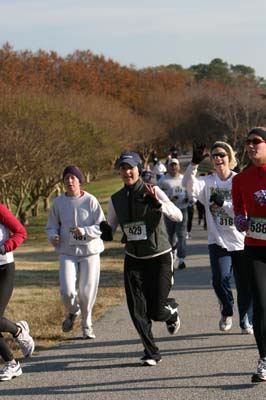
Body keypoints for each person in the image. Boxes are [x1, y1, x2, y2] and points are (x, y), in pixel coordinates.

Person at [100, 151, 183, 366]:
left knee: (156, 311)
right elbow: (111, 226)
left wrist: (158, 204)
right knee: (136, 309)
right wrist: (106, 231)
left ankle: (171, 311)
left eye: (131, 167)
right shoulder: (115, 199)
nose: (127, 172)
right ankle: (152, 352)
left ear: (139, 169)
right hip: (133, 257)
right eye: (123, 168)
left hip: (159, 256)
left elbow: (178, 215)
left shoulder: (153, 190)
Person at [183, 142, 253, 334]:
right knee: (219, 279)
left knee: (245, 283)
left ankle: (246, 317)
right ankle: (227, 309)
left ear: (229, 158)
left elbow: (246, 209)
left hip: (241, 240)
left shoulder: (239, 180)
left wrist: (224, 204)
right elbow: (189, 188)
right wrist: (193, 166)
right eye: (214, 156)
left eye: (222, 155)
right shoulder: (208, 182)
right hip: (218, 240)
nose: (218, 158)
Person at [46, 165, 105, 340]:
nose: (70, 181)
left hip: (90, 252)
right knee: (67, 291)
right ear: (63, 182)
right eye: (67, 178)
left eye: (73, 178)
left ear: (80, 180)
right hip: (67, 252)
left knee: (86, 293)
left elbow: (101, 226)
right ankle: (73, 311)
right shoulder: (58, 203)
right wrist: (53, 236)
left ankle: (87, 324)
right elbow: (51, 226)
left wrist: (85, 232)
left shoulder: (91, 201)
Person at [232, 127, 266, 382]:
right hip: (255, 247)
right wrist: (241, 220)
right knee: (262, 305)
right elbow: (238, 209)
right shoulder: (240, 179)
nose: (252, 146)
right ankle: (264, 359)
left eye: (257, 141)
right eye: (248, 143)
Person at [0, 204, 34, 381]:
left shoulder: (0, 209)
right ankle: (18, 334)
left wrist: (5, 247)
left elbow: (21, 232)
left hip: (4, 268)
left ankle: (12, 362)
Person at [158, 158, 189, 269]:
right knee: (170, 235)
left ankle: (181, 259)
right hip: (169, 211)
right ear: (168, 167)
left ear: (179, 167)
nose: (174, 168)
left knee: (181, 234)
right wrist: (169, 199)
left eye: (175, 165)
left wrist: (187, 199)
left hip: (182, 209)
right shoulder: (163, 180)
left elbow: (189, 192)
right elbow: (158, 196)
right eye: (171, 166)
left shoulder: (183, 179)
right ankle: (171, 255)